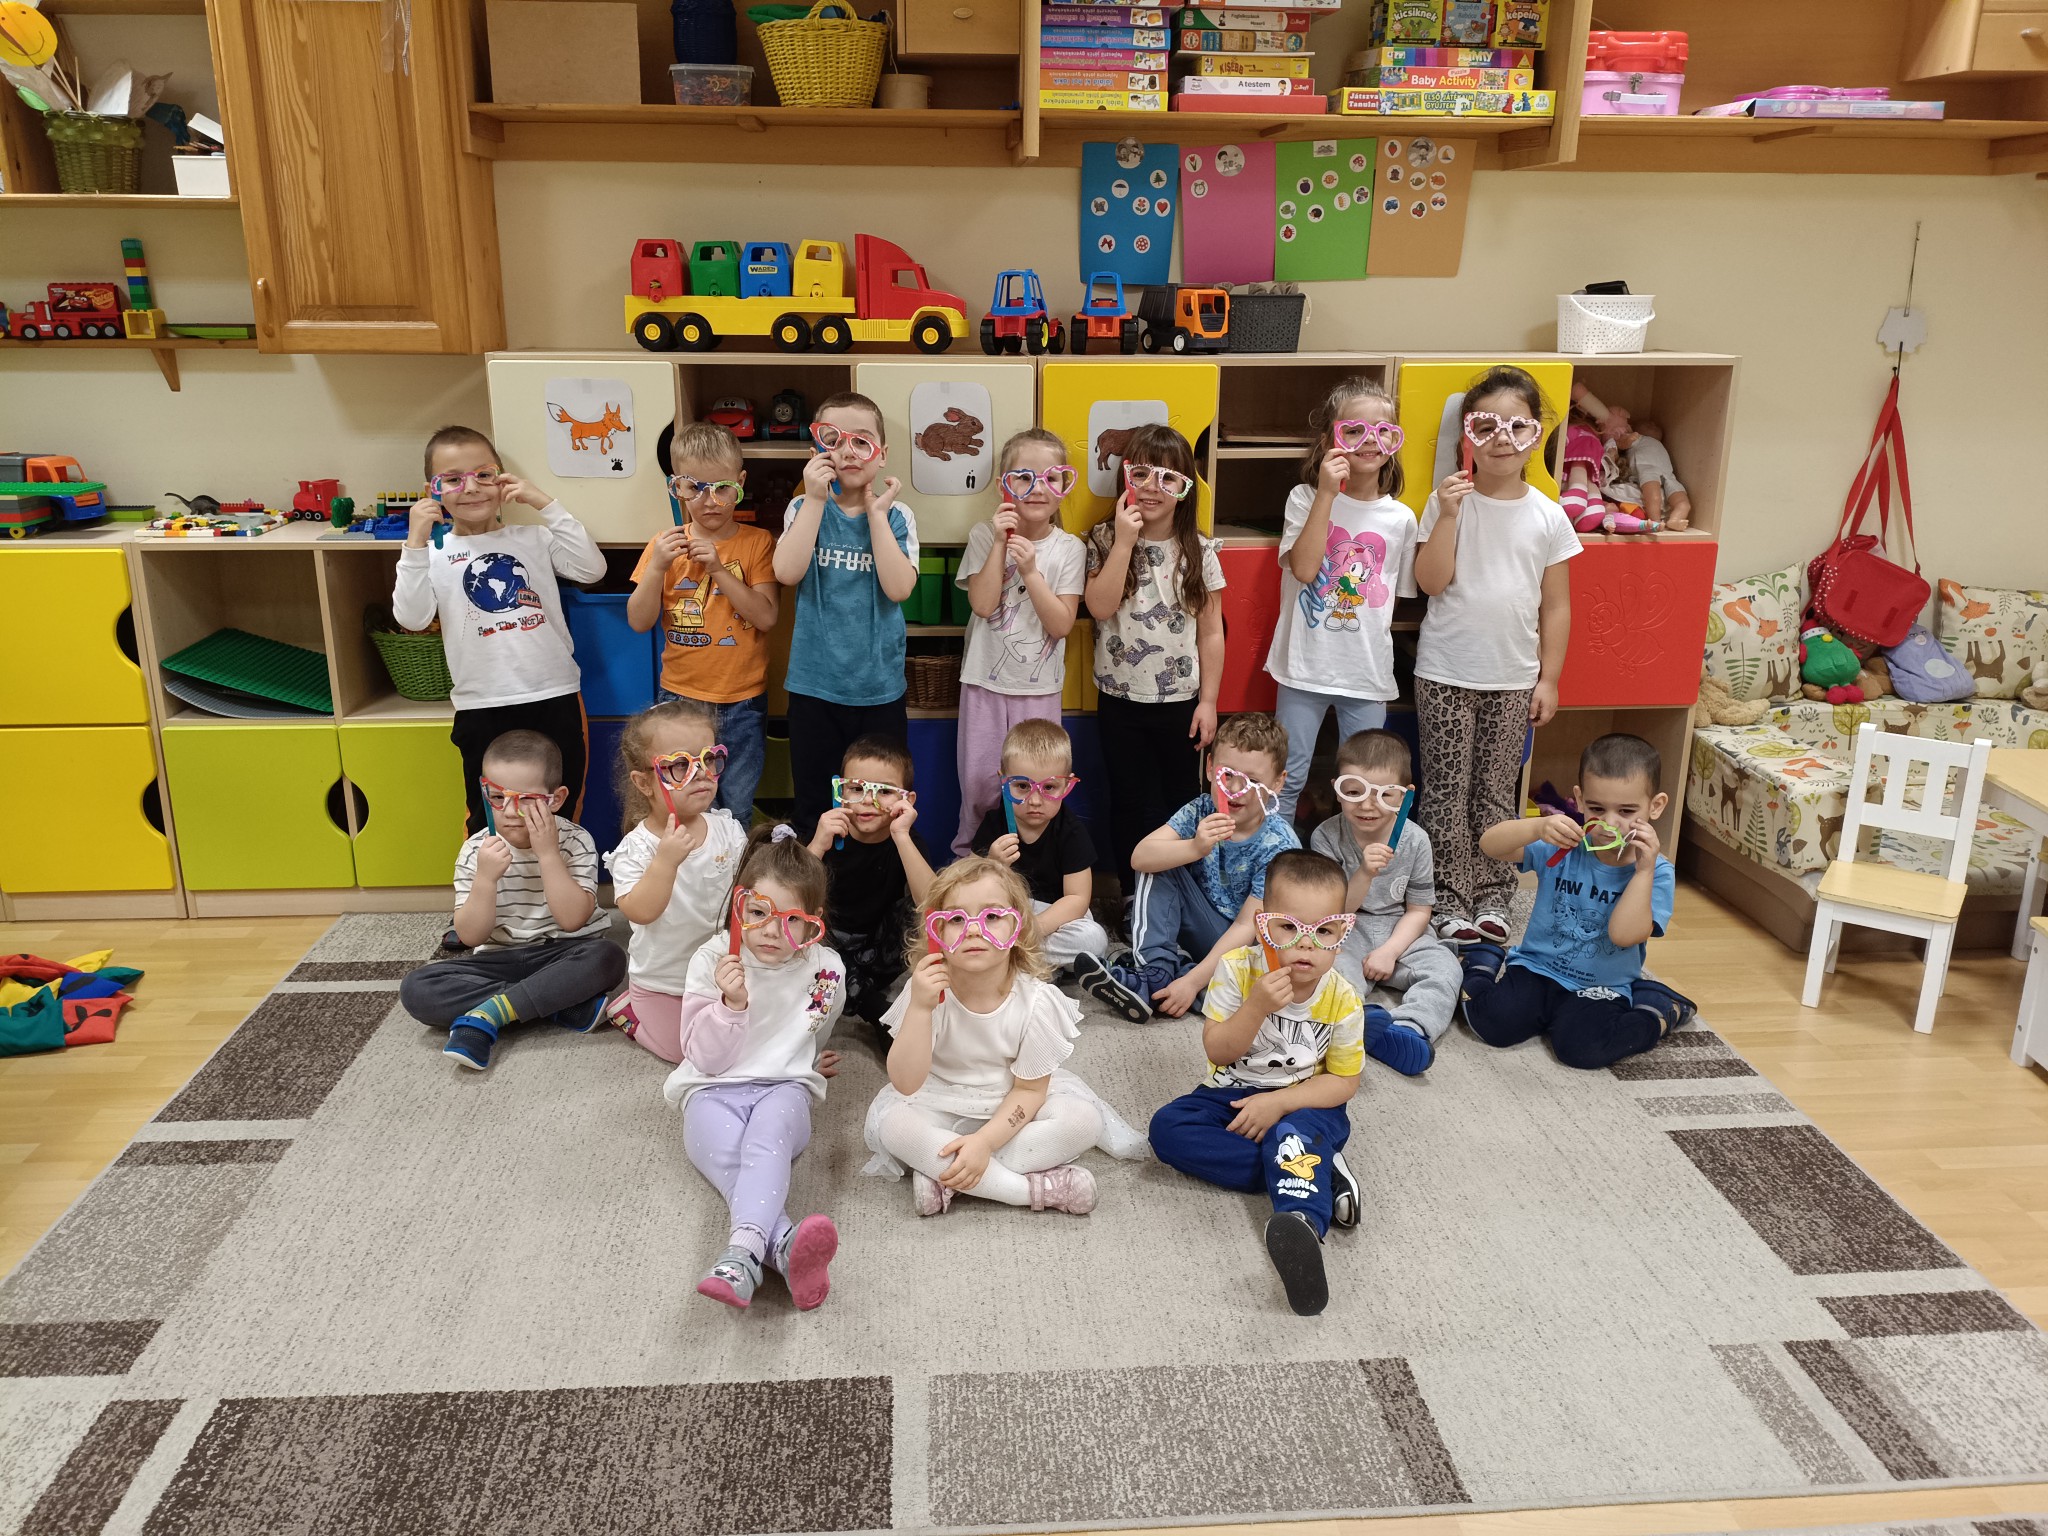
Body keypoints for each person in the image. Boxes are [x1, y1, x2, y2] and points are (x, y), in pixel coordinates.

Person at [1148, 850, 1364, 1317]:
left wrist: (1280, 1104)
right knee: (1166, 1129)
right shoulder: (1235, 969)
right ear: (1263, 925)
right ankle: (1314, 1171)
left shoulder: (1344, 998)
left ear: (1341, 934)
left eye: (1324, 932)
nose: (1306, 945)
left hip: (1306, 1104)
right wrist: (1257, 1007)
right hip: (1229, 1091)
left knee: (1291, 1133)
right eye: (1289, 928)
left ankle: (1303, 1218)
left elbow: (1344, 1082)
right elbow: (1218, 1052)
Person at [864, 857, 1138, 1215]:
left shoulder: (1037, 1001)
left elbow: (1030, 1091)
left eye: (992, 915)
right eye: (956, 919)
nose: (973, 930)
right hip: (937, 1099)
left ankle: (946, 1173)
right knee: (896, 1127)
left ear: (1018, 927)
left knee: (1083, 1121)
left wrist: (983, 1143)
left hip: (1011, 1102)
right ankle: (1027, 1191)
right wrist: (919, 1008)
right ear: (936, 933)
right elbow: (904, 1082)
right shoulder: (925, 991)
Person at [1411, 365, 1580, 947]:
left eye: (1517, 426)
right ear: (1468, 434)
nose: (1501, 439)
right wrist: (1449, 514)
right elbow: (1430, 582)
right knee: (1446, 790)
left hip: (1513, 679)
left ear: (1536, 435)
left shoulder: (1549, 515)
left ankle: (1492, 894)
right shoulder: (1447, 503)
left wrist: (1549, 679)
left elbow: (1556, 606)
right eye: (1486, 427)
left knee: (1495, 792)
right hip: (1445, 672)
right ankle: (1446, 895)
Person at [663, 824, 845, 1311]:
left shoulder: (826, 968)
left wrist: (807, 1056)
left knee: (765, 1142)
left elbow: (818, 1022)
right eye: (759, 912)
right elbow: (704, 1058)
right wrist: (732, 1005)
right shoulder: (712, 958)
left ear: (814, 925)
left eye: (792, 920)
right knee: (730, 1158)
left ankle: (741, 1255)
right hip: (709, 1088)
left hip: (783, 1087)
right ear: (740, 906)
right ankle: (782, 1246)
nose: (770, 930)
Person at [394, 424, 606, 837]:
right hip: (482, 704)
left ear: (502, 479)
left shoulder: (533, 538)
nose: (471, 488)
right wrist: (415, 541)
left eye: (483, 475)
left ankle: (557, 879)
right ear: (432, 491)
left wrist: (544, 503)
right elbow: (412, 618)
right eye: (453, 479)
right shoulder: (432, 555)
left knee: (560, 808)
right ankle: (489, 877)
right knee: (486, 815)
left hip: (552, 694)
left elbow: (591, 568)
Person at [1461, 732, 1696, 1070]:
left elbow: (1623, 936)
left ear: (1655, 806)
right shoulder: (1565, 845)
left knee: (1581, 1050)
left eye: (1627, 811)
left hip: (1602, 986)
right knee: (1493, 1025)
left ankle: (1656, 1008)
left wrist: (1642, 872)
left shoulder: (1656, 872)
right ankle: (1482, 961)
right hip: (1537, 968)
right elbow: (1489, 846)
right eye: (1597, 808)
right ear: (1580, 800)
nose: (1610, 823)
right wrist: (1537, 827)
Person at [397, 730, 625, 1070]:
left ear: (556, 799)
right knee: (417, 988)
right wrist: (485, 879)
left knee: (608, 957)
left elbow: (572, 920)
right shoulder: (476, 850)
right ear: (484, 790)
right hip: (498, 958)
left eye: (526, 799)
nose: (509, 811)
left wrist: (548, 854)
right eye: (497, 796)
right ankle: (553, 1003)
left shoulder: (575, 841)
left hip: (564, 952)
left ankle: (489, 1013)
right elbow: (470, 936)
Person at [1264, 377, 1418, 825]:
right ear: (1329, 439)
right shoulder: (1304, 498)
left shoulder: (1400, 518)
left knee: (1367, 787)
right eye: (1354, 430)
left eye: (1382, 431)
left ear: (1394, 442)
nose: (1369, 441)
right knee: (1288, 778)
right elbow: (1304, 569)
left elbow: (1390, 600)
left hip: (1366, 674)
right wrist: (1327, 494)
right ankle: (1277, 861)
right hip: (1302, 669)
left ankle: (1359, 864)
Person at [1085, 712, 1299, 1023]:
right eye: (1227, 774)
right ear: (1210, 767)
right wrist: (1194, 848)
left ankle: (1185, 981)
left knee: (1247, 990)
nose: (1236, 788)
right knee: (1159, 861)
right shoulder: (1201, 809)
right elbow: (1140, 857)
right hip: (1200, 929)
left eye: (1253, 781)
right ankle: (1157, 971)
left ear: (1278, 783)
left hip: (1245, 947)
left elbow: (1246, 927)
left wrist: (1193, 982)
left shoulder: (1280, 845)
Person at [1082, 423, 1226, 883]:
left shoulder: (1199, 550)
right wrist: (1125, 541)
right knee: (1126, 799)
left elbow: (1211, 634)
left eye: (1168, 478)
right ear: (1125, 476)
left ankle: (1182, 891)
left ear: (1184, 489)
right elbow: (1099, 607)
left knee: (1180, 800)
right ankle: (1131, 895)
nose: (1152, 487)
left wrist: (1209, 701)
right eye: (1141, 474)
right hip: (1119, 699)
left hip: (1180, 702)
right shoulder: (1104, 539)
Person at [773, 393, 917, 835]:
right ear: (816, 450)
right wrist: (815, 499)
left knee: (880, 804)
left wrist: (876, 516)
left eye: (861, 441)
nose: (847, 451)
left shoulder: (898, 515)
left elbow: (898, 588)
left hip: (878, 690)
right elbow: (787, 573)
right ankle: (818, 876)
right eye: (833, 439)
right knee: (816, 803)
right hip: (814, 687)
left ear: (881, 454)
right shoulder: (802, 508)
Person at [626, 422, 779, 826]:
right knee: (684, 804)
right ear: (675, 487)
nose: (709, 501)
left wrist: (719, 570)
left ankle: (731, 867)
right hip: (681, 697)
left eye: (722, 488)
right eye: (694, 488)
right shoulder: (663, 545)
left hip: (743, 700)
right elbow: (639, 621)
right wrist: (657, 566)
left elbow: (766, 616)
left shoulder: (757, 542)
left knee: (737, 806)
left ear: (740, 484)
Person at [953, 429, 1087, 856]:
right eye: (1024, 477)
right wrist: (999, 541)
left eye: (1051, 478)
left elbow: (1061, 624)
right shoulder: (983, 535)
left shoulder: (1069, 548)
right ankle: (970, 863)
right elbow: (982, 604)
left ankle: (1033, 868)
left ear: (1064, 486)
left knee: (1037, 790)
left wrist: (1030, 572)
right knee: (979, 786)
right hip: (984, 686)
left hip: (1038, 691)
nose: (1037, 488)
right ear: (1004, 486)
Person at [603, 699, 750, 1062]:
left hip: (721, 971)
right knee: (685, 1053)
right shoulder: (636, 848)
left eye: (709, 759)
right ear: (644, 782)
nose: (701, 774)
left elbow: (754, 889)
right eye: (680, 765)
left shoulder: (727, 828)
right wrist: (665, 862)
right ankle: (629, 1014)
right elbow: (639, 912)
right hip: (665, 983)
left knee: (745, 1035)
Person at [1308, 729, 1460, 1077]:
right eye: (1354, 791)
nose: (1367, 805)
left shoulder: (1416, 840)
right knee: (1325, 969)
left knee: (1446, 969)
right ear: (1337, 789)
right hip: (1346, 926)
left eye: (1384, 794)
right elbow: (1331, 914)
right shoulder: (1326, 836)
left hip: (1401, 929)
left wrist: (1390, 951)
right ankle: (1354, 1023)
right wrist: (1363, 873)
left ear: (1404, 796)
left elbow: (1419, 910)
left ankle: (1410, 1029)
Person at [809, 735, 934, 1042]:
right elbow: (790, 896)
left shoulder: (907, 840)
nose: (867, 800)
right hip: (828, 943)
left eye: (885, 791)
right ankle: (872, 1007)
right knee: (802, 931)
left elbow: (934, 906)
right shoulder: (827, 832)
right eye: (856, 788)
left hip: (877, 953)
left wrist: (901, 837)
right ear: (841, 791)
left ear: (907, 801)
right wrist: (817, 846)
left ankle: (852, 986)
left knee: (916, 912)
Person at [968, 718, 1108, 977]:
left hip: (1052, 919)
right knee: (967, 919)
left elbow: (1077, 900)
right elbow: (970, 889)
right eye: (1022, 786)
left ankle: (1015, 960)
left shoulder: (1071, 831)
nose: (1034, 800)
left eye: (1049, 787)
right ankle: (1036, 966)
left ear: (1067, 785)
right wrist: (993, 865)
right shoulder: (994, 824)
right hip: (1005, 914)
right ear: (1003, 781)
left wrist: (1032, 929)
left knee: (1093, 939)